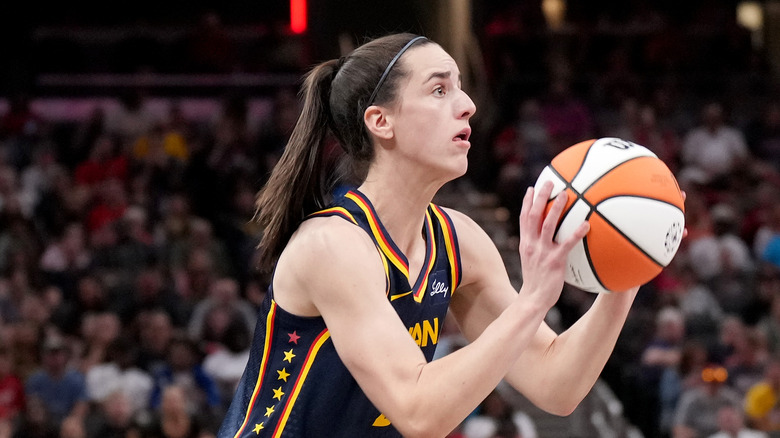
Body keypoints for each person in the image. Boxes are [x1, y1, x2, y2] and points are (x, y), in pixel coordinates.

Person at [218, 33, 651, 438]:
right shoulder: (332, 245)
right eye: (439, 90)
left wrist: (630, 261)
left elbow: (557, 385)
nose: (467, 105)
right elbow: (418, 411)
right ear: (380, 121)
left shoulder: (459, 241)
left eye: (460, 88)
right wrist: (535, 298)